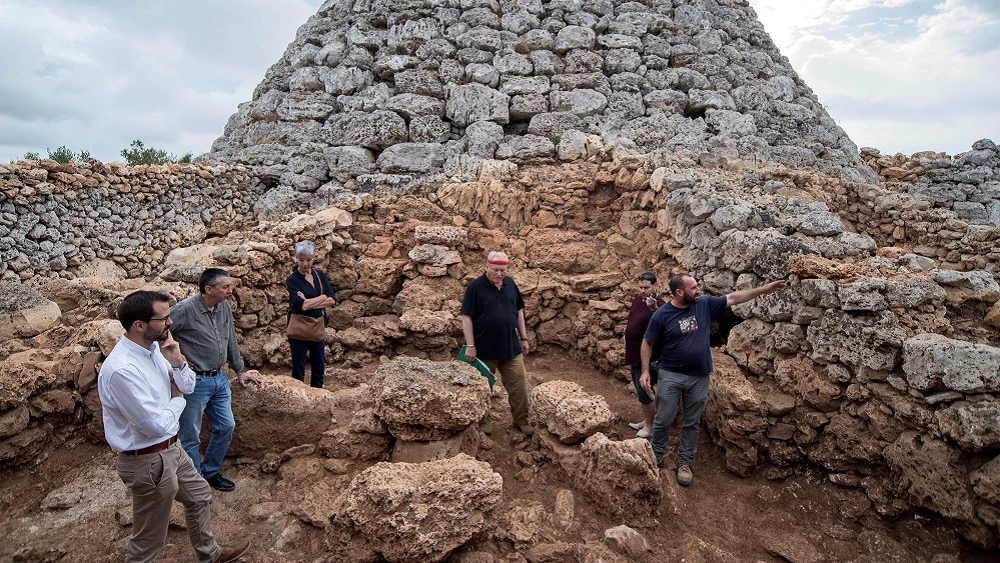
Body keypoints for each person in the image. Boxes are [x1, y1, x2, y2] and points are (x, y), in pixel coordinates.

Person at [98, 290, 250, 562]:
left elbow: (188, 385)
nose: (170, 323)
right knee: (149, 539)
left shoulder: (155, 349)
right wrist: (177, 400)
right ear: (139, 325)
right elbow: (154, 425)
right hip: (147, 460)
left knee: (199, 495)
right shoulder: (122, 369)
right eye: (164, 318)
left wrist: (178, 362)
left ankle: (210, 554)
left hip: (172, 448)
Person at [640, 273, 786, 487]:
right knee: (663, 419)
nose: (698, 291)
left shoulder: (704, 304)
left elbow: (734, 298)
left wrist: (765, 289)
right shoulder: (662, 314)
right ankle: (656, 455)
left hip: (699, 376)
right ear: (679, 292)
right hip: (671, 375)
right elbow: (647, 342)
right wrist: (645, 371)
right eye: (693, 288)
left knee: (692, 423)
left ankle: (685, 463)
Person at [171, 267, 260, 492]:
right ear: (208, 289)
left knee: (226, 426)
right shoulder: (184, 310)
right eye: (225, 287)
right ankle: (195, 482)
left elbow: (230, 338)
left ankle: (210, 472)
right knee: (190, 435)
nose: (230, 290)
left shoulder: (224, 307)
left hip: (219, 378)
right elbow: (162, 331)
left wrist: (239, 370)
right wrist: (176, 361)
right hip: (195, 383)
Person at [460, 251, 533, 435]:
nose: (499, 273)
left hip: (511, 348)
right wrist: (470, 345)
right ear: (487, 267)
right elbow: (466, 316)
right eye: (495, 270)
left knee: (519, 385)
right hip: (483, 351)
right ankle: (483, 422)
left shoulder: (511, 284)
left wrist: (523, 338)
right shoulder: (475, 287)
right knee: (483, 388)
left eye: (502, 270)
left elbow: (519, 312)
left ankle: (521, 420)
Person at [285, 240, 337, 388]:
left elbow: (332, 299)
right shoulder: (292, 280)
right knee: (299, 366)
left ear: (314, 258)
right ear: (296, 259)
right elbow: (302, 305)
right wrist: (322, 298)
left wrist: (311, 301)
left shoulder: (319, 275)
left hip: (317, 324)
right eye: (301, 260)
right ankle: (298, 396)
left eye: (308, 260)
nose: (305, 264)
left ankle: (317, 393)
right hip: (300, 326)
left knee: (319, 364)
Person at [624, 272, 665, 439]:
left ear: (655, 286)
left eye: (646, 287)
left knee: (645, 391)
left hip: (648, 358)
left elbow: (665, 320)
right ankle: (646, 420)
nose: (643, 291)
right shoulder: (637, 300)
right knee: (640, 389)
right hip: (634, 354)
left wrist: (654, 308)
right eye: (640, 287)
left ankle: (650, 426)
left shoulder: (659, 304)